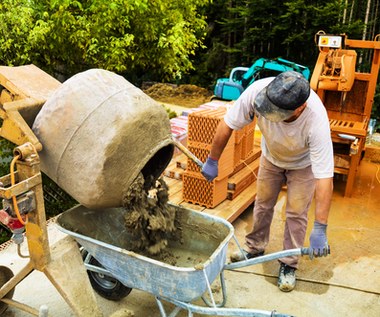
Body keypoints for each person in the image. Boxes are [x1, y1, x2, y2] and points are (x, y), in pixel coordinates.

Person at [201, 71, 333, 292]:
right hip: (271, 158)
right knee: (262, 204)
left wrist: (320, 226)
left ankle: (289, 264)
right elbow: (227, 124)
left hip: (303, 165)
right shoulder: (258, 91)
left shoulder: (315, 119)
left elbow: (324, 178)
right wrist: (212, 159)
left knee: (296, 214)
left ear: (298, 109)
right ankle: (254, 247)